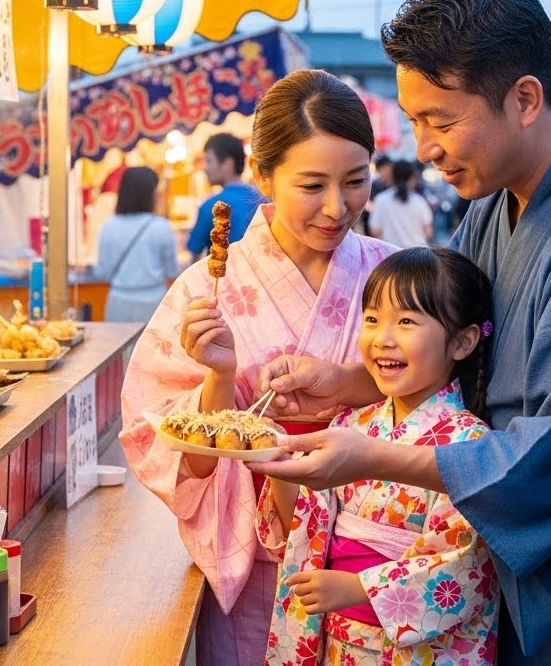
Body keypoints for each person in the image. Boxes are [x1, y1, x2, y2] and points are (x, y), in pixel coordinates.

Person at [248, 0, 551, 666]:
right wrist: (346, 385)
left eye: (440, 120)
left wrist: (372, 455)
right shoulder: (494, 200)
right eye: (413, 122)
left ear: (524, 98)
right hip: (508, 565)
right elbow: (453, 344)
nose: (425, 147)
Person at [119, 69, 397, 665]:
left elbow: (444, 402)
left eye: (355, 181)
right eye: (312, 184)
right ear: (262, 174)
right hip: (260, 570)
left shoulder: (397, 277)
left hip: (373, 563)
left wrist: (350, 383)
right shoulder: (204, 289)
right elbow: (170, 450)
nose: (336, 207)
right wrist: (220, 377)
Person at [259, 246, 499, 665]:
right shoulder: (352, 423)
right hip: (338, 640)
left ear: (463, 341)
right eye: (372, 319)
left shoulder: (470, 442)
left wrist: (361, 589)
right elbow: (306, 526)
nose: (383, 338)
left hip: (413, 648)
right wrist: (276, 464)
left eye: (406, 321)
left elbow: (469, 566)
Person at [94, 166, 180, 322]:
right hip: (154, 303)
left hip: (118, 302)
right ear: (150, 194)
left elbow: (102, 272)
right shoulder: (161, 227)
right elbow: (172, 271)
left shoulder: (108, 226)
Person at [186, 132, 264, 263]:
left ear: (227, 163)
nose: (205, 168)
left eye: (209, 161)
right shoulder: (263, 199)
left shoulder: (211, 205)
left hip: (224, 280)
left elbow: (195, 253)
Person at [367, 159, 433, 248]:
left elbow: (374, 231)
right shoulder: (419, 201)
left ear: (392, 177)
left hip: (391, 256)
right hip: (419, 256)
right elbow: (428, 232)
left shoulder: (381, 200)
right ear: (411, 178)